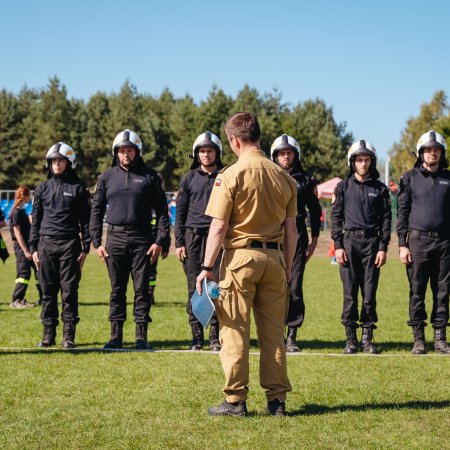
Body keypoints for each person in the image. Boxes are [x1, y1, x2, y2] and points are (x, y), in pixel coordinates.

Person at [196, 112, 298, 417]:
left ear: (234, 140)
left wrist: (206, 267)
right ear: (258, 137)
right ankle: (277, 401)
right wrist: (288, 266)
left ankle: (236, 400)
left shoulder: (229, 175)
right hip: (275, 259)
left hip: (240, 261)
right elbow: (292, 231)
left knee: (234, 331)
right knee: (273, 334)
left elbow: (218, 227)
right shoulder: (285, 177)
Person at [90, 129, 170, 350]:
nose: (126, 155)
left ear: (137, 152)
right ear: (116, 153)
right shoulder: (106, 177)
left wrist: (160, 241)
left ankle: (140, 337)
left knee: (142, 289)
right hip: (114, 239)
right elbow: (96, 210)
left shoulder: (150, 176)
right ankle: (115, 336)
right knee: (117, 289)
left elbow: (162, 212)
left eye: (130, 151)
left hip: (142, 239)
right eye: (122, 151)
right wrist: (96, 242)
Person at [331, 140, 391, 354]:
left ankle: (367, 337)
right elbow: (336, 218)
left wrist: (383, 247)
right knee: (350, 294)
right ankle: (350, 339)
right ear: (352, 162)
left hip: (372, 245)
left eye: (366, 160)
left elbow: (386, 219)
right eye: (359, 160)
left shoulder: (381, 189)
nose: (363, 164)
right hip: (348, 244)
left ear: (372, 162)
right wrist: (338, 246)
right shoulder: (343, 188)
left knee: (369, 293)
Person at [29, 143, 91, 348]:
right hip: (45, 245)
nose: (57, 164)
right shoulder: (42, 188)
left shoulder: (79, 188)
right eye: (54, 161)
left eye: (61, 161)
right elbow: (35, 220)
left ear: (69, 163)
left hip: (69, 245)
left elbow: (86, 221)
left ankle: (68, 335)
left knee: (69, 291)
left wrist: (85, 248)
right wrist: (33, 248)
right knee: (47, 291)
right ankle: (48, 334)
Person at [397, 130, 450, 354]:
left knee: (443, 291)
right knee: (417, 291)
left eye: (436, 150)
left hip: (445, 244)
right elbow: (402, 212)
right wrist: (402, 244)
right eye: (428, 150)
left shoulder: (449, 178)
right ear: (421, 152)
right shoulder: (410, 178)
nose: (432, 153)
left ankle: (440, 338)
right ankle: (418, 338)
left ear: (442, 153)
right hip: (417, 243)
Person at [271, 134, 322, 352]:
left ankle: (292, 334)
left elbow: (315, 210)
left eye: (289, 152)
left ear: (295, 154)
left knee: (294, 286)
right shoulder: (267, 176)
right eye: (281, 153)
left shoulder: (307, 180)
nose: (285, 157)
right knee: (272, 287)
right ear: (275, 155)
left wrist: (315, 238)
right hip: (271, 235)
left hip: (298, 236)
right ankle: (274, 333)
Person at [175, 131, 223, 351]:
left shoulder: (226, 176)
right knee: (194, 287)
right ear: (196, 153)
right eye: (202, 151)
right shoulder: (188, 179)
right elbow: (180, 212)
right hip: (192, 237)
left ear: (217, 153)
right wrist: (179, 242)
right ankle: (196, 338)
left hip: (218, 239)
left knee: (216, 287)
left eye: (210, 151)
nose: (206, 155)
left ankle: (215, 337)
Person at [10, 185, 42, 309]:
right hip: (22, 247)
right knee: (24, 274)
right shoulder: (16, 212)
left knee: (39, 272)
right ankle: (16, 300)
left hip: (29, 246)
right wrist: (25, 251)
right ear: (25, 196)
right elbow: (17, 233)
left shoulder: (22, 211)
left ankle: (43, 298)